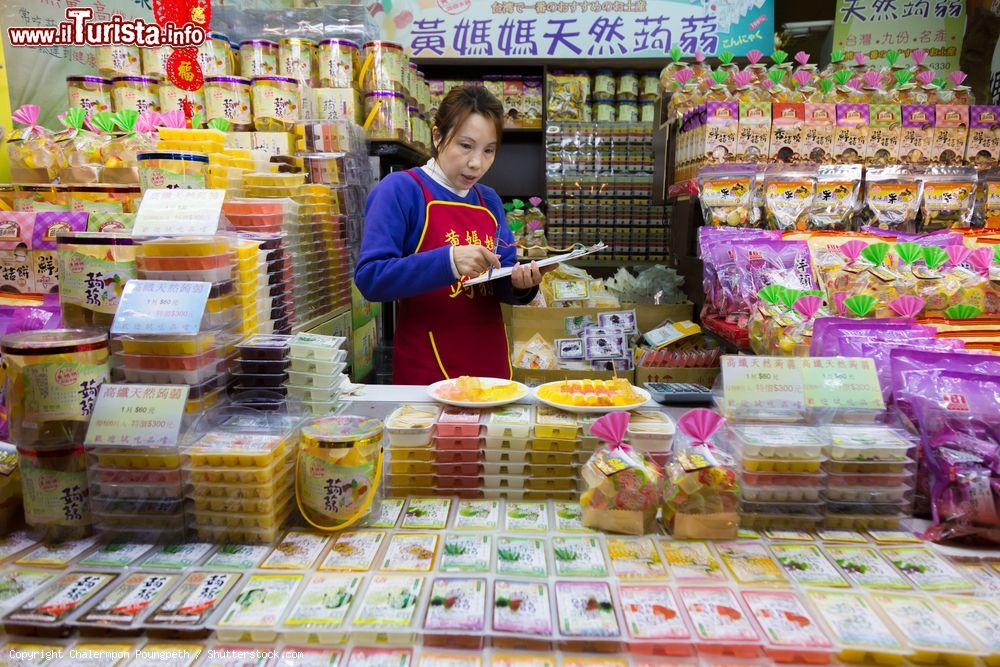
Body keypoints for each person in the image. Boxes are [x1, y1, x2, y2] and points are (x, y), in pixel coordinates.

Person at [355, 86, 556, 385]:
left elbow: (502, 279)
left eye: (488, 150)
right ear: (437, 136)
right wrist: (449, 261)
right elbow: (370, 278)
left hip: (492, 369)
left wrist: (522, 285)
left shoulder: (489, 201)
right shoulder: (400, 190)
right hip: (427, 374)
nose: (477, 163)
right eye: (465, 145)